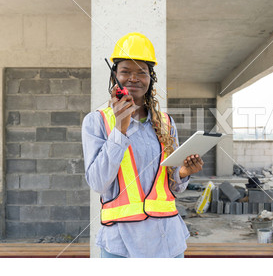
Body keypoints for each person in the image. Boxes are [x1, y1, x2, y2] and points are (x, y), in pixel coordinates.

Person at [82, 32, 204, 258]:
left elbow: (173, 188)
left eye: (142, 72)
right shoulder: (97, 121)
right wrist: (120, 128)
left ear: (151, 79)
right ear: (114, 77)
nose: (134, 78)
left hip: (168, 239)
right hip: (121, 245)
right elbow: (98, 182)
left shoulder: (166, 123)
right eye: (126, 71)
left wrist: (184, 172)